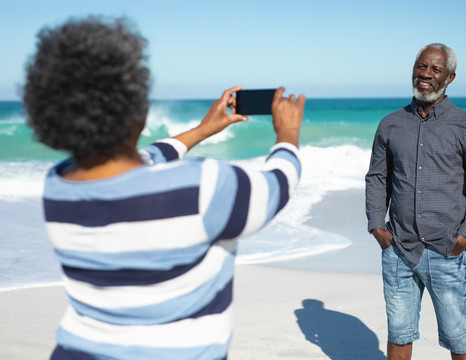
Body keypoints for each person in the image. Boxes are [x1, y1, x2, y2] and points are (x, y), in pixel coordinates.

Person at [23, 16, 305, 360]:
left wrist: (203, 130)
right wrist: (287, 133)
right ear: (138, 111)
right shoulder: (202, 186)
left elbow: (146, 159)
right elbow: (277, 186)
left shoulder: (59, 184)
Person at [365, 43, 466, 360]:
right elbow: (377, 177)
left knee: (458, 339)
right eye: (421, 66)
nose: (426, 74)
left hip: (447, 251)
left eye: (435, 69)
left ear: (449, 77)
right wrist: (375, 225)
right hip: (398, 249)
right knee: (398, 334)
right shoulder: (390, 124)